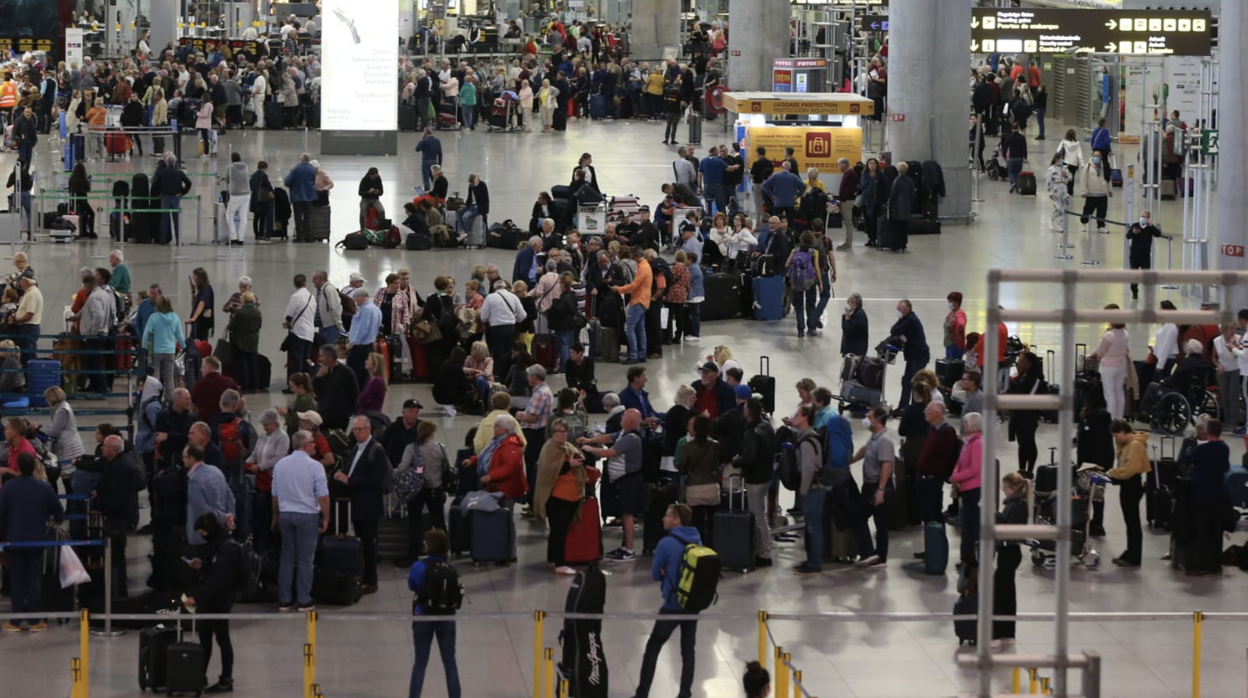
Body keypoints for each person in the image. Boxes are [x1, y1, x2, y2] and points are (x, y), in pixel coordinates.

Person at [632, 503, 702, 698]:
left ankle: (642, 693)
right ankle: (685, 693)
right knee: (688, 650)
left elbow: (655, 574)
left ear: (677, 521)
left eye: (667, 515)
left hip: (673, 604)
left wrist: (665, 572)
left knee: (653, 647)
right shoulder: (697, 540)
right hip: (692, 603)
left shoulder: (666, 543)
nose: (663, 518)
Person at [0, 451, 64, 631]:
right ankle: (35, 621)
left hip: (13, 540)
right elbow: (58, 511)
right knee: (33, 579)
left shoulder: (8, 487)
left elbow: (1, 515)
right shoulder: (44, 487)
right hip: (37, 540)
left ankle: (15, 622)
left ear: (18, 467)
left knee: (17, 579)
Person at [270, 430, 329, 611]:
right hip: (307, 516)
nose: (314, 444)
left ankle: (284, 599)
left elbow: (275, 495)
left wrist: (275, 516)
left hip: (286, 514)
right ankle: (303, 600)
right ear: (305, 445)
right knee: (305, 559)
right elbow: (323, 496)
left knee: (287, 556)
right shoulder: (315, 466)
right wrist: (326, 517)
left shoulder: (280, 465)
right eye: (312, 441)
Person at [184, 513, 240, 694]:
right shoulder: (218, 545)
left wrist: (198, 598)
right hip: (211, 600)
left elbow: (219, 580)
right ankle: (200, 676)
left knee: (222, 640)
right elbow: (215, 567)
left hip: (220, 602)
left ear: (210, 530)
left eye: (203, 533)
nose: (203, 537)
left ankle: (226, 679)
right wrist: (202, 564)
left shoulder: (228, 549)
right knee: (205, 638)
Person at [580, 409, 646, 562]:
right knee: (623, 514)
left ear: (629, 421)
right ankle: (624, 546)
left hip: (629, 482)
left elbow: (609, 453)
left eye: (624, 417)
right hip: (622, 482)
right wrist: (589, 440)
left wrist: (589, 448)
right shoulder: (623, 433)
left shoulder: (631, 438)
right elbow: (609, 437)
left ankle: (629, 550)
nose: (621, 418)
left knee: (627, 516)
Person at [332, 416, 389, 593]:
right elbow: (351, 468)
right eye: (355, 429)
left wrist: (349, 480)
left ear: (368, 429)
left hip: (369, 505)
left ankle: (371, 581)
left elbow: (375, 480)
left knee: (368, 544)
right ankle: (361, 576)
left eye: (360, 429)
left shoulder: (377, 450)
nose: (356, 433)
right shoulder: (357, 447)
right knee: (361, 542)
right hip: (356, 503)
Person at [534, 417, 587, 575]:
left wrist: (579, 458)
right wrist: (569, 464)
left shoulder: (567, 446)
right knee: (559, 531)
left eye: (564, 431)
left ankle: (553, 558)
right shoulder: (549, 447)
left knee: (559, 530)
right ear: (552, 433)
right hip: (558, 498)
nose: (562, 434)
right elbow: (548, 470)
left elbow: (576, 457)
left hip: (571, 497)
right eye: (558, 431)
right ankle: (560, 564)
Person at [1179, 418, 1231, 576]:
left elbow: (1185, 460)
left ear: (1207, 431)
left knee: (1203, 530)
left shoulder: (1202, 450)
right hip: (1218, 493)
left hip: (1202, 494)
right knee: (1216, 529)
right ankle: (1216, 564)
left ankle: (1202, 564)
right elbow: (1225, 467)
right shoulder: (1224, 448)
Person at [92, 435, 139, 597]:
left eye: (105, 446)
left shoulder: (119, 467)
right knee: (116, 556)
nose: (102, 448)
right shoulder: (119, 463)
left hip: (117, 519)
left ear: (113, 450)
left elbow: (117, 496)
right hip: (120, 516)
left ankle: (117, 594)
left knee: (116, 557)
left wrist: (105, 510)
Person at [850, 406, 895, 569]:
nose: (866, 419)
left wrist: (881, 490)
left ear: (877, 421)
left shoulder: (884, 440)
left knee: (880, 523)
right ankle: (870, 553)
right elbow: (865, 449)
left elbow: (886, 465)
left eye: (869, 417)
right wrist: (851, 460)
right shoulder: (875, 437)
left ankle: (881, 558)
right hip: (869, 485)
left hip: (879, 486)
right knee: (859, 516)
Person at [735, 397, 776, 568]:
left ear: (749, 412)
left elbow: (750, 458)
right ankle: (763, 547)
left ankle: (764, 553)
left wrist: (737, 461)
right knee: (762, 514)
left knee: (758, 515)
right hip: (766, 474)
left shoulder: (752, 433)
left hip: (755, 478)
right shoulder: (767, 426)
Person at [992, 471, 1029, 648]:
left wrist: (995, 514)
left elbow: (1009, 529)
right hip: (1009, 552)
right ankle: (1008, 633)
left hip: (1009, 552)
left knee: (999, 593)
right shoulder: (1015, 504)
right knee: (1007, 592)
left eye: (1005, 487)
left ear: (1013, 488)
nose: (1003, 490)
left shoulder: (1018, 506)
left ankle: (997, 635)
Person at [790, 404, 826, 576]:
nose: (794, 417)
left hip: (813, 490)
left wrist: (803, 491)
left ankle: (814, 563)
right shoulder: (809, 437)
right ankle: (812, 559)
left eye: (797, 414)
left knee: (813, 527)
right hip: (814, 488)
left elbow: (808, 469)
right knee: (812, 526)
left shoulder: (807, 442)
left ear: (805, 418)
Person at [612, 247, 653, 365]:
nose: (631, 258)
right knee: (640, 329)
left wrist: (619, 289)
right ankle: (642, 354)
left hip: (638, 300)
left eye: (632, 255)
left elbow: (634, 285)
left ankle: (634, 355)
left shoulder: (643, 268)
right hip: (643, 300)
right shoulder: (643, 266)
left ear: (636, 255)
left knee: (629, 328)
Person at [1089, 308, 1129, 420]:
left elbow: (1100, 352)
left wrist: (1093, 355)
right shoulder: (1126, 333)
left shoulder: (1109, 335)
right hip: (1121, 365)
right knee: (1119, 392)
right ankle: (1119, 418)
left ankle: (1110, 418)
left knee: (1109, 393)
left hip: (1108, 367)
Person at [891, 299, 930, 411]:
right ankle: (903, 406)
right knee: (907, 381)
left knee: (915, 383)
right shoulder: (906, 318)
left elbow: (894, 330)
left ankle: (915, 407)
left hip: (919, 356)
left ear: (907, 309)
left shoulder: (911, 320)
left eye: (900, 309)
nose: (898, 311)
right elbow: (893, 329)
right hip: (913, 356)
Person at [785, 231, 823, 338]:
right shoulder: (814, 253)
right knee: (810, 305)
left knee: (799, 306)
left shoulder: (795, 250)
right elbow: (817, 269)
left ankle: (800, 330)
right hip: (810, 281)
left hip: (797, 281)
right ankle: (811, 328)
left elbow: (787, 264)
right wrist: (820, 283)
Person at [153, 152, 193, 244]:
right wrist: (183, 192)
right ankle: (178, 240)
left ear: (166, 162)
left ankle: (163, 240)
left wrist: (158, 193)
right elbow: (189, 183)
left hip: (165, 197)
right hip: (176, 197)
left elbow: (154, 184)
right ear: (175, 162)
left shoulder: (162, 173)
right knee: (176, 220)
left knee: (164, 220)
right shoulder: (179, 173)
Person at [284, 274, 317, 381]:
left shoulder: (295, 297)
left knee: (297, 359)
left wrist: (287, 322)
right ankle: (308, 381)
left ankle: (298, 383)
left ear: (295, 284)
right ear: (305, 283)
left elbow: (289, 315)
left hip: (298, 332)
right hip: (310, 333)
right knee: (307, 359)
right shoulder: (312, 297)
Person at [1126, 211, 1162, 300]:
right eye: (1141, 216)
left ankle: (1147, 293)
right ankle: (1134, 291)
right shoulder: (1135, 225)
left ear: (1148, 218)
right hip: (1134, 255)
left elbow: (1158, 234)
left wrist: (1151, 225)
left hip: (1145, 256)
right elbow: (1128, 236)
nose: (1142, 218)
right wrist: (1133, 232)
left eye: (1144, 217)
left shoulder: (1150, 228)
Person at [284, 153, 318, 242]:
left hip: (297, 197)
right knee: (308, 217)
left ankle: (299, 237)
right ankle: (309, 237)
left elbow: (287, 181)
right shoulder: (312, 170)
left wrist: (293, 185)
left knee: (298, 218)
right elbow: (313, 181)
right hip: (309, 197)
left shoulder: (295, 169)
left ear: (302, 159)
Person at [1080, 149, 1113, 234]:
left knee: (1102, 211)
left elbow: (1108, 178)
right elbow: (1083, 179)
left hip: (1102, 194)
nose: (1096, 158)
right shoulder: (1088, 166)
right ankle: (1084, 223)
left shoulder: (1105, 165)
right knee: (1088, 210)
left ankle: (1101, 226)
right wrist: (1083, 191)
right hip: (1091, 194)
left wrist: (1110, 190)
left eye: (1098, 156)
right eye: (1094, 156)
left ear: (1101, 157)